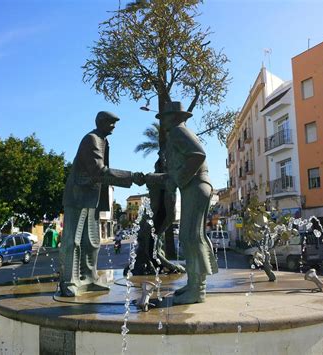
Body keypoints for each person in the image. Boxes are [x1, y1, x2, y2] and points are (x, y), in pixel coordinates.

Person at [60, 111, 145, 297]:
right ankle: (69, 281)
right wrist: (131, 177)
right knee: (72, 241)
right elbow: (98, 171)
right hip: (78, 197)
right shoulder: (92, 139)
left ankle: (89, 279)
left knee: (91, 241)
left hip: (91, 197)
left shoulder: (102, 140)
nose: (114, 126)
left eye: (115, 123)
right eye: (111, 122)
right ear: (100, 122)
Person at [147, 101, 218, 304]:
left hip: (195, 185)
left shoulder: (179, 132)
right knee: (192, 236)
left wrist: (179, 178)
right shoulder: (177, 134)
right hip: (194, 186)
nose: (163, 122)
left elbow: (198, 155)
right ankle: (194, 283)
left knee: (190, 236)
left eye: (165, 117)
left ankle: (198, 290)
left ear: (175, 118)